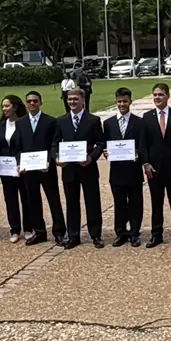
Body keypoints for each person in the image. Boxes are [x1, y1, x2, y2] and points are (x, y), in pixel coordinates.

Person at [52, 88, 105, 249]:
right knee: (71, 203)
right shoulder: (61, 121)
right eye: (69, 99)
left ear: (83, 100)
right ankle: (73, 235)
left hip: (87, 167)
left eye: (75, 99)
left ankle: (96, 235)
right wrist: (56, 158)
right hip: (69, 169)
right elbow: (54, 143)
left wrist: (91, 157)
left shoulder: (93, 120)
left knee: (93, 202)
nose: (72, 102)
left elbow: (101, 143)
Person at [142, 83, 171, 248]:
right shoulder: (147, 117)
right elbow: (143, 143)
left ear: (168, 96)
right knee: (156, 204)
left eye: (160, 94)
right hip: (154, 169)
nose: (157, 97)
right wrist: (146, 163)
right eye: (155, 95)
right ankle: (156, 235)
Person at [17, 91, 67, 245]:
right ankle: (39, 232)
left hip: (46, 167)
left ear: (40, 102)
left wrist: (50, 161)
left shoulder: (51, 121)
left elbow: (55, 143)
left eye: (35, 101)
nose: (32, 104)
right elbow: (18, 146)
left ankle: (59, 232)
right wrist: (20, 163)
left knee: (53, 200)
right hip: (29, 169)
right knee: (33, 201)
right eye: (29, 101)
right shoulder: (20, 122)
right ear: (26, 103)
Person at [103, 87, 147, 247]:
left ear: (130, 102)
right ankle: (120, 232)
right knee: (119, 203)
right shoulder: (108, 124)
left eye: (125, 101)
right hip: (116, 171)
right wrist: (106, 153)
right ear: (116, 102)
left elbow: (143, 145)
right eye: (119, 101)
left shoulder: (139, 122)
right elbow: (105, 145)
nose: (122, 104)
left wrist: (139, 155)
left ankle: (134, 232)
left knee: (136, 203)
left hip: (133, 170)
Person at [0, 95, 31, 243]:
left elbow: (27, 146)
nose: (4, 109)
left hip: (22, 167)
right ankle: (15, 229)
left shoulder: (24, 123)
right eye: (3, 106)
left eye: (7, 106)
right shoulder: (1, 125)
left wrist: (21, 163)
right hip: (6, 169)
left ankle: (29, 228)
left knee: (26, 198)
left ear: (15, 107)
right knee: (10, 199)